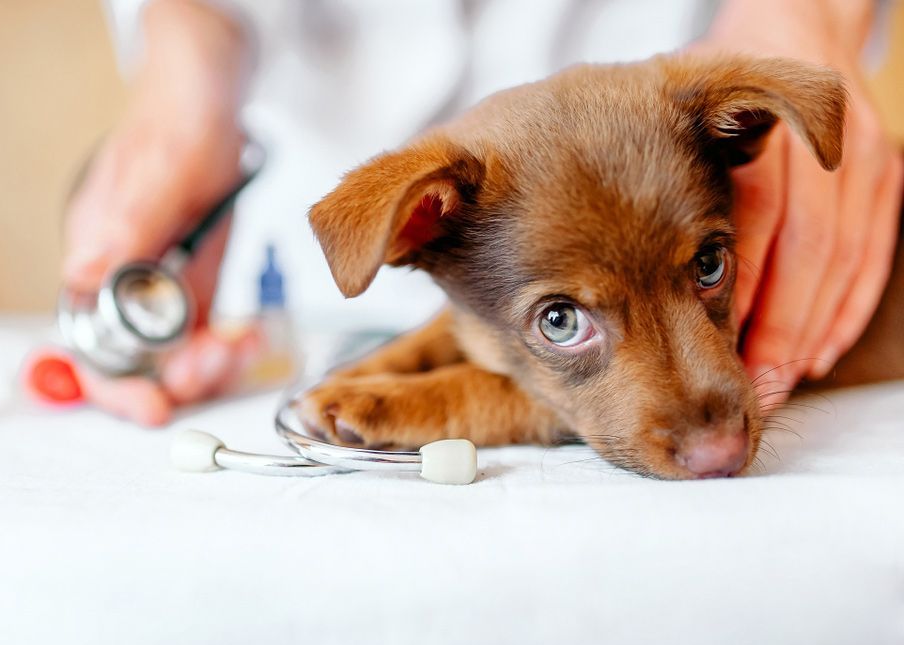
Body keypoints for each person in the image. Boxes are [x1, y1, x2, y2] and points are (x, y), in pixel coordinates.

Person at [62, 0, 902, 425]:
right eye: (566, 316)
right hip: (292, 255)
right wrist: (186, 71)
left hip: (677, 121)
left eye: (707, 267)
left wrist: (804, 14)